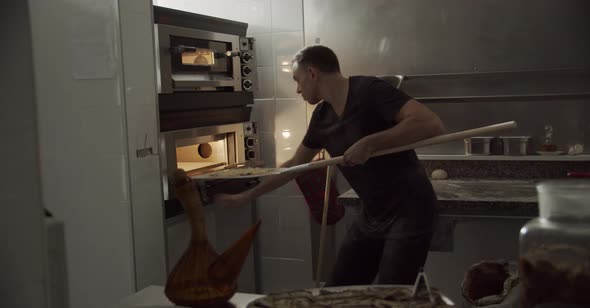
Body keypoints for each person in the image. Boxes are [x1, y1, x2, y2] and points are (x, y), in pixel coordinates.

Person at [215, 45, 445, 286]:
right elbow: (295, 165)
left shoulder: (370, 90)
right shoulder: (321, 117)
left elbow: (430, 123)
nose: (297, 89)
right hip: (372, 214)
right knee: (338, 290)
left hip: (410, 210)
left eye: (297, 79)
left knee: (392, 292)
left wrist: (370, 143)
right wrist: (247, 195)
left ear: (312, 73)